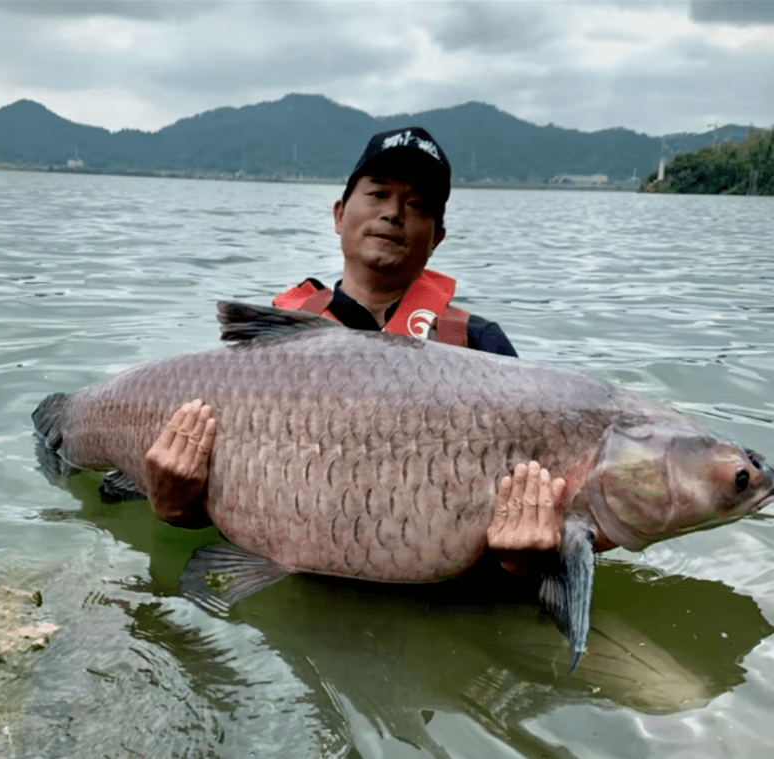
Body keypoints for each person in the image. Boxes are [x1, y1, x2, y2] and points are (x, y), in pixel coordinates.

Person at [142, 127, 565, 573]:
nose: (394, 214)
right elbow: (209, 507)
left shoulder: (481, 347)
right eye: (378, 194)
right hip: (287, 606)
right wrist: (175, 508)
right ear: (340, 213)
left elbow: (525, 520)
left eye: (417, 205)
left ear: (437, 236)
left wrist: (525, 561)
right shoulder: (269, 353)